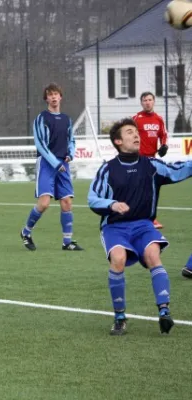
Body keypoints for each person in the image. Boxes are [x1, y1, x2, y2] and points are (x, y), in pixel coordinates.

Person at [88, 118, 192, 336]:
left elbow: (178, 169)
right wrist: (112, 204)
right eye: (129, 132)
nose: (136, 135)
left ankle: (164, 311)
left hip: (143, 225)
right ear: (118, 141)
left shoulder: (151, 165)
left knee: (153, 253)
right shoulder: (108, 169)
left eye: (136, 132)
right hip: (114, 227)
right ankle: (119, 317)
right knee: (118, 259)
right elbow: (93, 198)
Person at [20, 83, 83, 251]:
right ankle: (26, 232)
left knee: (67, 202)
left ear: (60, 97)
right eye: (50, 95)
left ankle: (67, 242)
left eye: (56, 94)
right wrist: (55, 163)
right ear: (46, 98)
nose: (54, 97)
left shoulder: (66, 119)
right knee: (44, 203)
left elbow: (72, 140)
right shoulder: (41, 118)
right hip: (47, 164)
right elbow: (40, 145)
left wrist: (70, 153)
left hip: (63, 164)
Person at [132, 91, 169, 229]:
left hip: (152, 161)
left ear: (153, 101)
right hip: (138, 159)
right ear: (141, 103)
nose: (147, 102)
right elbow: (128, 134)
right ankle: (135, 216)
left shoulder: (159, 119)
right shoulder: (136, 118)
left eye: (149, 100)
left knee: (152, 190)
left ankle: (151, 219)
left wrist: (164, 146)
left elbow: (163, 135)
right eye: (144, 100)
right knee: (138, 190)